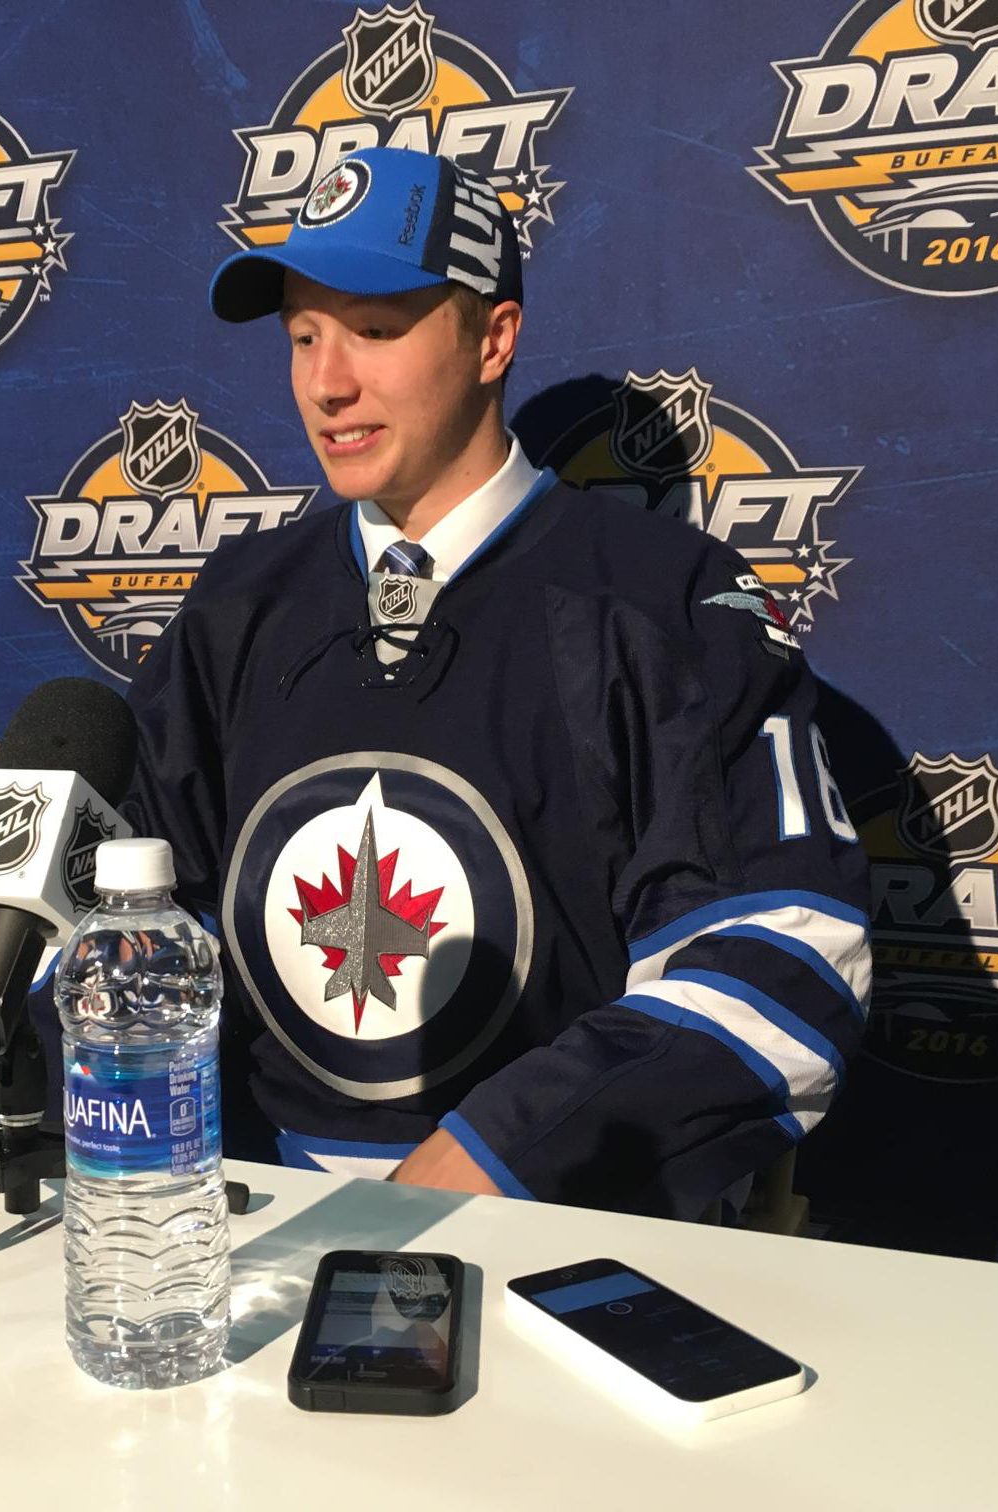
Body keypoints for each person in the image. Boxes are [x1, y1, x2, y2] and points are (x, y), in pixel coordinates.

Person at [120, 147, 870, 1218]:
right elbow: (131, 913)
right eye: (303, 335)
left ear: (494, 338)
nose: (328, 383)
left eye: (376, 329)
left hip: (549, 1235)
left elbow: (790, 954)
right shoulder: (240, 603)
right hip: (244, 1227)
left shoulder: (664, 600)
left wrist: (499, 1157)